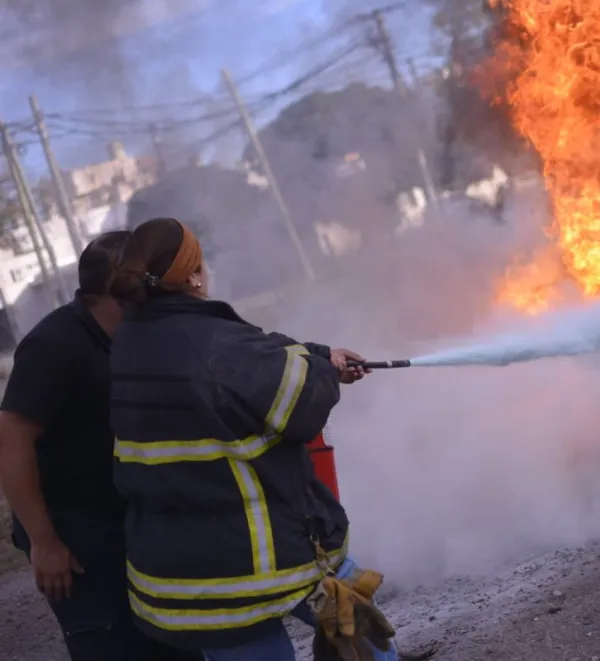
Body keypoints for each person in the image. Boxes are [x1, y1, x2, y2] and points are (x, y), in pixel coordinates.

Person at [107, 217, 399, 661]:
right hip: (271, 561)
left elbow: (252, 358)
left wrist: (320, 355)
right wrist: (325, 372)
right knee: (368, 649)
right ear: (192, 275)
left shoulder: (133, 339)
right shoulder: (212, 344)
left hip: (197, 583)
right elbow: (296, 404)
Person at [0, 231, 203, 661]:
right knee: (115, 644)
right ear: (119, 285)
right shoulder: (55, 345)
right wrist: (44, 541)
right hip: (77, 533)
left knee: (175, 640)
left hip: (132, 516)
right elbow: (11, 437)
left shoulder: (138, 334)